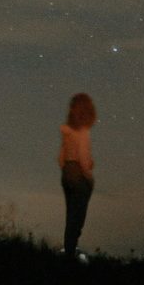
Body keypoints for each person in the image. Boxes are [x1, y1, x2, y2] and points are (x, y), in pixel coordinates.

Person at [58, 93, 96, 259]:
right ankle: (70, 257)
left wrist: (69, 167)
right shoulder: (83, 131)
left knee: (70, 218)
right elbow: (82, 156)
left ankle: (68, 254)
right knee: (77, 219)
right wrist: (88, 175)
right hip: (79, 176)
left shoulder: (68, 132)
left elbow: (60, 159)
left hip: (67, 174)